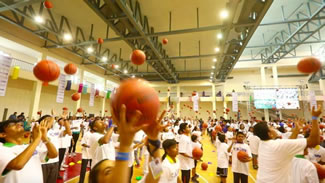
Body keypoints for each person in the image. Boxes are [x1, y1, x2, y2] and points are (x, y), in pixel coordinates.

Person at [253, 106, 322, 183]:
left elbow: (287, 145)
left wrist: (296, 130)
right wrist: (315, 118)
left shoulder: (263, 143)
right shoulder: (276, 145)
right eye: (271, 127)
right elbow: (314, 141)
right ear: (269, 134)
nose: (274, 128)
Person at [0, 118, 57, 183]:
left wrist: (44, 138)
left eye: (19, 123)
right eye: (12, 124)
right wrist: (37, 139)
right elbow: (17, 165)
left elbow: (53, 154)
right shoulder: (2, 148)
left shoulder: (28, 147)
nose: (19, 124)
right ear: (3, 134)